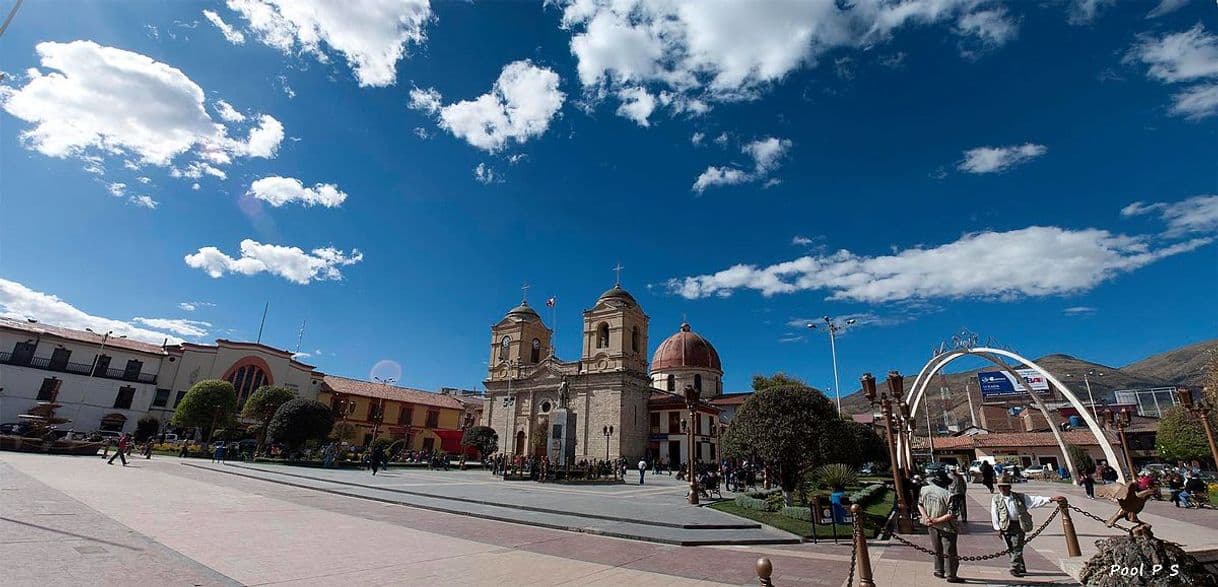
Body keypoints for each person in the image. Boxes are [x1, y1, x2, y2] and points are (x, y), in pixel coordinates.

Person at [990, 475, 1065, 578]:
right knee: (1010, 548)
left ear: (1009, 487)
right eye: (1000, 487)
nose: (1003, 488)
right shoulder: (996, 499)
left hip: (1019, 525)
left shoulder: (1020, 497)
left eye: (1005, 486)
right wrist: (997, 528)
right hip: (1005, 526)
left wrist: (1051, 499)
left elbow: (1035, 500)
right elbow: (994, 514)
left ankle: (1014, 568)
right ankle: (1021, 567)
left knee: (1017, 546)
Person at [918, 471, 962, 583]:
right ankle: (951, 575)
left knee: (937, 549)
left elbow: (920, 504)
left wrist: (926, 517)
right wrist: (937, 520)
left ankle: (939, 570)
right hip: (946, 526)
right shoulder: (949, 494)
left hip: (930, 524)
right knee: (949, 551)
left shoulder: (924, 490)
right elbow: (952, 513)